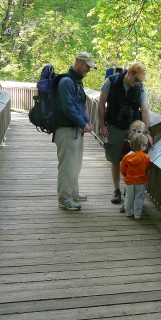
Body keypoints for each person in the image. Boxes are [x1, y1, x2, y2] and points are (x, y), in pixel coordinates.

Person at [98, 62, 152, 205]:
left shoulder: (140, 88)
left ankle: (129, 190)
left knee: (134, 159)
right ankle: (116, 190)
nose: (137, 82)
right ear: (129, 73)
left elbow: (145, 111)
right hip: (114, 125)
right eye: (136, 79)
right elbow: (101, 103)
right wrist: (102, 125)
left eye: (140, 80)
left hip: (132, 128)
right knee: (115, 158)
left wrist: (146, 132)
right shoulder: (111, 82)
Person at [54, 51, 96, 211]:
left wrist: (87, 122)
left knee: (76, 164)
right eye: (86, 66)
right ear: (78, 62)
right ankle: (64, 199)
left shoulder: (77, 82)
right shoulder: (66, 82)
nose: (88, 69)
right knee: (67, 166)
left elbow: (79, 106)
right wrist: (82, 123)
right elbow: (68, 108)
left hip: (75, 129)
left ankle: (73, 193)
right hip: (66, 130)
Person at [120, 133, 153, 219]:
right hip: (141, 181)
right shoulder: (146, 157)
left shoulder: (126, 157)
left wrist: (126, 175)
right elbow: (149, 166)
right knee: (139, 198)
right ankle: (137, 214)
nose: (146, 147)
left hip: (130, 181)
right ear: (142, 146)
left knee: (129, 197)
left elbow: (122, 169)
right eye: (146, 145)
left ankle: (128, 212)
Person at [119, 120, 146, 213]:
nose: (136, 133)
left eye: (139, 131)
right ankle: (126, 205)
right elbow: (123, 157)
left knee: (137, 191)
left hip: (139, 174)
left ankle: (134, 207)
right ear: (130, 130)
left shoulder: (143, 144)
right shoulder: (127, 143)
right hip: (129, 172)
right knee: (128, 191)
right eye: (134, 130)